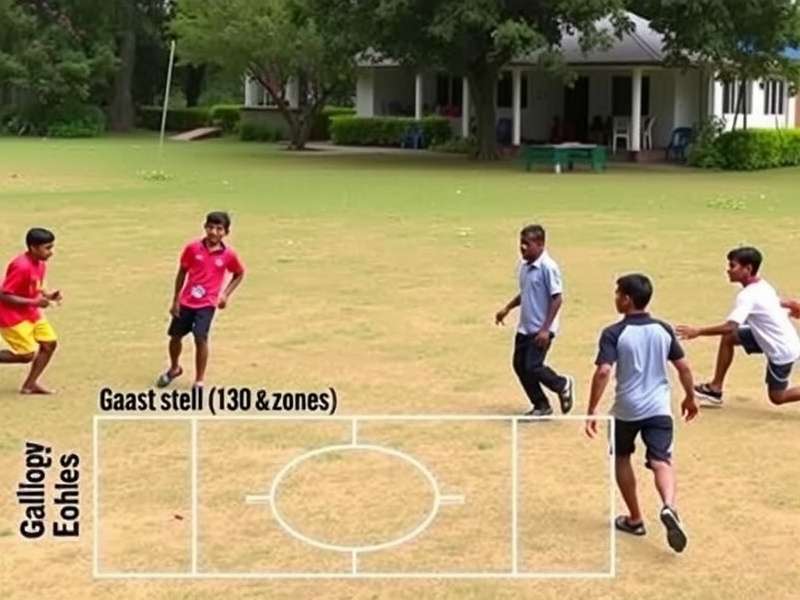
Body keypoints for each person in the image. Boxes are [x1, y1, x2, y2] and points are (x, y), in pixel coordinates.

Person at [586, 274, 697, 553]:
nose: (615, 298)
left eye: (617, 294)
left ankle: (635, 519)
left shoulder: (613, 333)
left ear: (627, 299)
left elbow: (603, 371)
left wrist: (591, 410)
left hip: (626, 409)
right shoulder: (663, 329)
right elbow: (683, 367)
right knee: (662, 461)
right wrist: (690, 397)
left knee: (622, 457)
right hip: (659, 408)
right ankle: (669, 506)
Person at [677, 247, 800, 408]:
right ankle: (715, 389)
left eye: (732, 266)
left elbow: (730, 326)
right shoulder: (762, 285)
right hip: (773, 338)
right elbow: (769, 303)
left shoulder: (747, 296)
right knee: (730, 338)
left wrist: (698, 331)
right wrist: (790, 304)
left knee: (777, 397)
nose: (728, 271)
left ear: (748, 269)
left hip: (781, 350)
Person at [156, 212, 245, 390]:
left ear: (226, 232)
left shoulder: (228, 255)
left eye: (219, 228)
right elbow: (182, 272)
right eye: (210, 227)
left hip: (207, 304)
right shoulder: (192, 249)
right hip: (186, 302)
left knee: (200, 338)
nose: (213, 232)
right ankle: (174, 368)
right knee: (175, 337)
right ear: (205, 227)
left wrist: (225, 294)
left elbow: (239, 273)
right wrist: (176, 300)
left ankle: (199, 380)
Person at [495, 224, 574, 416]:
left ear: (540, 244)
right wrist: (508, 308)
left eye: (527, 244)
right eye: (521, 243)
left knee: (533, 366)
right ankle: (541, 405)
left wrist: (545, 329)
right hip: (525, 327)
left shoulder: (548, 267)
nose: (522, 248)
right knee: (520, 366)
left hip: (541, 329)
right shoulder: (524, 266)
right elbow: (527, 292)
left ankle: (562, 384)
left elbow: (557, 298)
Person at [0, 228, 61, 394]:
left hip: (31, 313)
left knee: (49, 344)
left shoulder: (40, 264)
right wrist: (35, 302)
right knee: (26, 355)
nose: (51, 252)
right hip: (11, 316)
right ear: (33, 248)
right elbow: (4, 295)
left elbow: (35, 286)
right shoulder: (20, 266)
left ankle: (30, 384)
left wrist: (48, 295)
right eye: (47, 248)